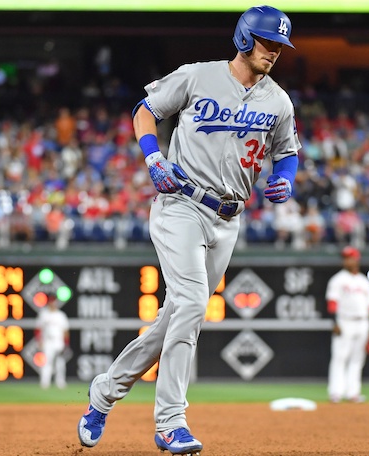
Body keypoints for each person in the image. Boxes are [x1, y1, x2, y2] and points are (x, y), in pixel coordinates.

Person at [78, 5, 300, 454]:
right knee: (194, 303)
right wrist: (153, 157)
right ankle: (170, 421)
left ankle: (104, 392)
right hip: (181, 204)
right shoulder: (198, 76)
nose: (274, 51)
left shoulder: (278, 100)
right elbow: (145, 111)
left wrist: (287, 178)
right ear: (243, 38)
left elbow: (288, 150)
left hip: (228, 219)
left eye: (280, 45)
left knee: (178, 314)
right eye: (267, 42)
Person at [325, 246, 369, 403]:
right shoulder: (338, 280)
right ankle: (336, 392)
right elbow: (332, 303)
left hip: (362, 322)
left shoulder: (364, 281)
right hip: (344, 321)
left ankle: (353, 392)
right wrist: (335, 322)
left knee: (357, 359)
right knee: (340, 357)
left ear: (357, 259)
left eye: (350, 257)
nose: (347, 260)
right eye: (345, 258)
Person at [35, 293, 70, 389]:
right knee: (47, 362)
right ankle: (45, 382)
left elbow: (65, 330)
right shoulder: (43, 314)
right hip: (47, 341)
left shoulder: (61, 315)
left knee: (60, 362)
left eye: (54, 301)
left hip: (58, 341)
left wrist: (66, 344)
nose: (52, 303)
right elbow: (38, 329)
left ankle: (60, 382)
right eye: (51, 301)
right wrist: (39, 341)